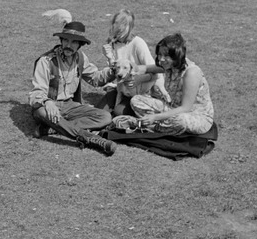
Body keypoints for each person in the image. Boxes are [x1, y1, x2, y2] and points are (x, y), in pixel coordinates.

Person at [29, 20, 117, 155]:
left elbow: (95, 78)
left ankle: (53, 128)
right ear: (61, 40)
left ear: (80, 45)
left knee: (105, 117)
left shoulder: (80, 58)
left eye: (74, 42)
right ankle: (91, 139)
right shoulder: (46, 61)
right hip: (49, 106)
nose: (68, 45)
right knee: (42, 113)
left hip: (70, 106)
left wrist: (114, 70)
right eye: (66, 40)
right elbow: (36, 93)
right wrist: (47, 102)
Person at [129, 32, 214, 135]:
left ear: (176, 56)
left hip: (194, 115)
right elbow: (148, 68)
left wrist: (155, 117)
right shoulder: (169, 65)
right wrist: (135, 69)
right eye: (159, 54)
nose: (161, 59)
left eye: (166, 56)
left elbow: (185, 108)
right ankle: (161, 125)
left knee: (179, 120)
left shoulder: (191, 73)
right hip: (172, 107)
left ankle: (153, 126)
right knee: (136, 100)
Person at [98, 9, 163, 116]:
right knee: (100, 110)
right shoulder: (114, 44)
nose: (119, 28)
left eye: (124, 25)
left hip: (141, 90)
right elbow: (116, 72)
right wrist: (110, 58)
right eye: (117, 24)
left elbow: (157, 71)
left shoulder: (138, 43)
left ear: (130, 27)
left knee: (118, 112)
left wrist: (138, 79)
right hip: (122, 87)